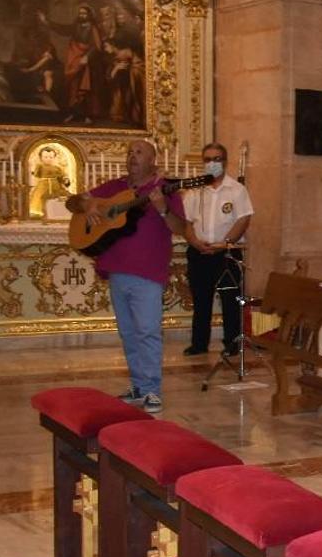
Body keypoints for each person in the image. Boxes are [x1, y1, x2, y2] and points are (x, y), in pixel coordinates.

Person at [66, 140, 187, 413]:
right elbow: (72, 201)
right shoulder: (115, 187)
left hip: (147, 271)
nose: (132, 157)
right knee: (129, 333)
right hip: (117, 270)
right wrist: (88, 205)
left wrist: (162, 208)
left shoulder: (164, 189)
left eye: (139, 152)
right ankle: (138, 387)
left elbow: (181, 228)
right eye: (129, 152)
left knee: (147, 331)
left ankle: (152, 391)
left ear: (153, 160)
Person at [181, 142, 253, 356]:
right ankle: (199, 343)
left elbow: (243, 218)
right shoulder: (195, 190)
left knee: (230, 300)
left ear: (224, 161)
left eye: (217, 159)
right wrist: (195, 242)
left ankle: (232, 343)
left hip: (226, 253)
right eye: (208, 159)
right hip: (199, 252)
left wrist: (226, 243)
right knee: (201, 299)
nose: (212, 163)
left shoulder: (237, 190)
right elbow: (186, 222)